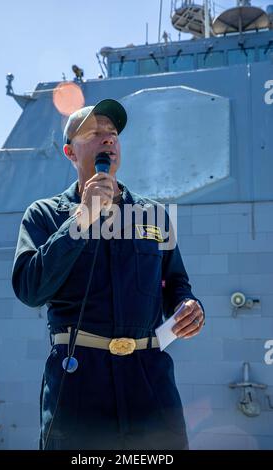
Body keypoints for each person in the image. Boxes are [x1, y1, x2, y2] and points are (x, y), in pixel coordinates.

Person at [12, 98, 205, 450]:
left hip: (150, 385)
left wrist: (189, 304)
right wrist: (80, 220)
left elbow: (176, 283)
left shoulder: (155, 215)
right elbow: (30, 289)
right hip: (80, 386)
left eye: (113, 133)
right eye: (95, 133)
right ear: (70, 152)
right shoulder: (43, 215)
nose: (108, 139)